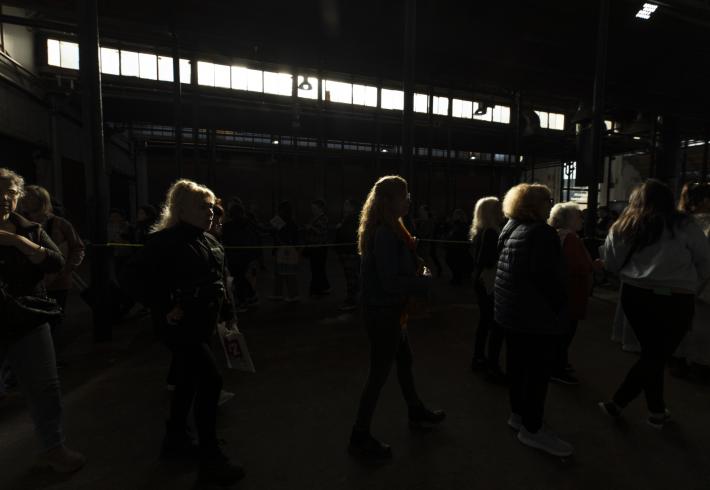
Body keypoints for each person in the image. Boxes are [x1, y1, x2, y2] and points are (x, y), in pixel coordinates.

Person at [132, 179, 244, 485]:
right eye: (201, 207)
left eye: (211, 207)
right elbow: (135, 278)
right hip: (180, 328)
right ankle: (210, 459)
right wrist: (164, 305)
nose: (210, 212)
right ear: (180, 209)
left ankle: (176, 440)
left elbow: (218, 283)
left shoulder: (210, 241)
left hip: (203, 325)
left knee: (186, 380)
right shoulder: (163, 242)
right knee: (211, 380)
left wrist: (228, 316)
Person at [598, 179, 710, 429]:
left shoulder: (623, 226)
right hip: (676, 299)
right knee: (656, 356)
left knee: (652, 354)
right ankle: (617, 403)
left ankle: (656, 411)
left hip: (635, 297)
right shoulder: (684, 225)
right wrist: (691, 283)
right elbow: (705, 261)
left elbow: (611, 264)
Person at [349, 175, 445, 461]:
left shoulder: (392, 228)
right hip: (384, 312)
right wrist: (424, 282)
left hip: (389, 310)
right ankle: (359, 436)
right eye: (404, 196)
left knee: (404, 361)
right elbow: (390, 282)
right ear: (388, 201)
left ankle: (415, 411)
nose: (409, 200)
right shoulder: (385, 234)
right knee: (378, 374)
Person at [0, 168, 85, 473]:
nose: (5, 197)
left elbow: (56, 262)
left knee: (45, 388)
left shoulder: (31, 229)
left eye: (11, 192)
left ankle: (53, 448)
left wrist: (17, 242)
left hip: (28, 317)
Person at [495, 183, 573, 457]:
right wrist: (560, 306)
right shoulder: (542, 233)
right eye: (548, 200)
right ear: (534, 205)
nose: (551, 204)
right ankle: (532, 429)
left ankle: (518, 415)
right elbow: (548, 278)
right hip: (535, 315)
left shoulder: (510, 227)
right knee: (537, 374)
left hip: (511, 311)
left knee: (517, 368)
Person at [21, 186, 85, 356]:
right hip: (31, 282)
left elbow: (78, 248)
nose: (25, 200)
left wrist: (67, 269)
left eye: (30, 197)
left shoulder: (60, 223)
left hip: (58, 282)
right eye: (24, 196)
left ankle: (53, 357)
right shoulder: (20, 223)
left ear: (42, 200)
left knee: (54, 321)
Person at [548, 202, 603, 385]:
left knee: (561, 331)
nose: (581, 219)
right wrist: (593, 265)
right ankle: (557, 368)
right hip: (571, 291)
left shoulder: (558, 235)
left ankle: (559, 363)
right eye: (578, 216)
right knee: (566, 332)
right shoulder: (570, 238)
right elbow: (576, 266)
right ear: (569, 219)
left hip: (561, 291)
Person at [674, 182, 710, 380]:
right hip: (704, 284)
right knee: (703, 327)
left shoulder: (678, 223)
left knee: (682, 325)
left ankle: (679, 362)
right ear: (705, 200)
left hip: (680, 282)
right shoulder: (706, 223)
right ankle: (700, 367)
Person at [470, 197, 505, 382]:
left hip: (481, 280)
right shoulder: (492, 232)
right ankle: (490, 364)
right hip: (488, 281)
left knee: (485, 322)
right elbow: (488, 260)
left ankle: (478, 357)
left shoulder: (481, 231)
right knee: (492, 323)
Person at [270, 201, 300, 302]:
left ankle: (293, 295)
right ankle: (278, 293)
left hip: (285, 250)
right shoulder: (290, 222)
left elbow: (276, 234)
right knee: (280, 272)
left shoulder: (283, 221)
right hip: (286, 250)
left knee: (288, 273)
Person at [335, 199, 361, 311]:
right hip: (346, 252)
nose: (344, 207)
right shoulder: (346, 218)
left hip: (350, 253)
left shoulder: (353, 219)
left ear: (352, 207)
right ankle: (354, 299)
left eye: (346, 205)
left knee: (352, 278)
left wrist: (340, 228)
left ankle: (352, 301)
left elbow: (349, 235)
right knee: (350, 277)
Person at [305, 199, 331, 296]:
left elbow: (322, 232)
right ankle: (325, 287)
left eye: (314, 208)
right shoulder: (314, 218)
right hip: (314, 246)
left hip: (319, 247)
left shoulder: (323, 218)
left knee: (317, 269)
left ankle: (316, 290)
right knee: (318, 268)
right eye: (312, 208)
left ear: (320, 208)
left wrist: (311, 227)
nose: (312, 210)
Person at [445, 208, 473, 285]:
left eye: (455, 215)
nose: (453, 216)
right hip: (454, 247)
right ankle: (456, 277)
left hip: (459, 248)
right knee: (451, 261)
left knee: (456, 263)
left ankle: (457, 278)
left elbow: (463, 236)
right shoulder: (455, 225)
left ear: (459, 216)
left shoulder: (463, 225)